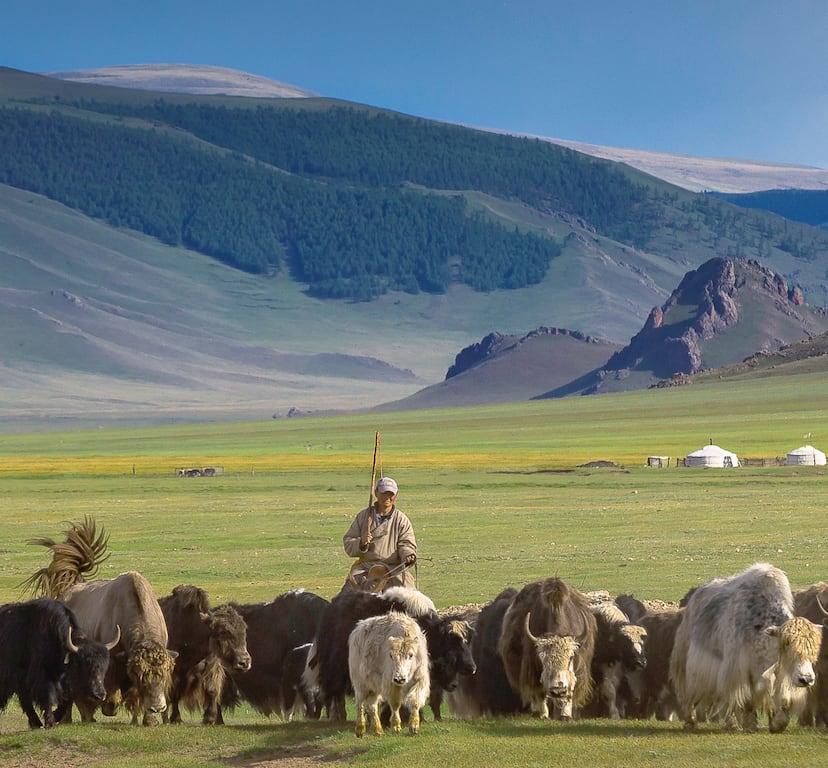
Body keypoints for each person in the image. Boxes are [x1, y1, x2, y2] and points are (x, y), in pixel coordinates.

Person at [342, 476, 417, 591]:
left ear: (396, 496)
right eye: (383, 493)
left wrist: (408, 555)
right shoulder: (364, 516)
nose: (387, 497)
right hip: (366, 566)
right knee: (348, 593)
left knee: (409, 596)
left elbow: (406, 543)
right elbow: (348, 542)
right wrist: (361, 543)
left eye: (390, 494)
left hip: (393, 567)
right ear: (376, 493)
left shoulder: (401, 519)